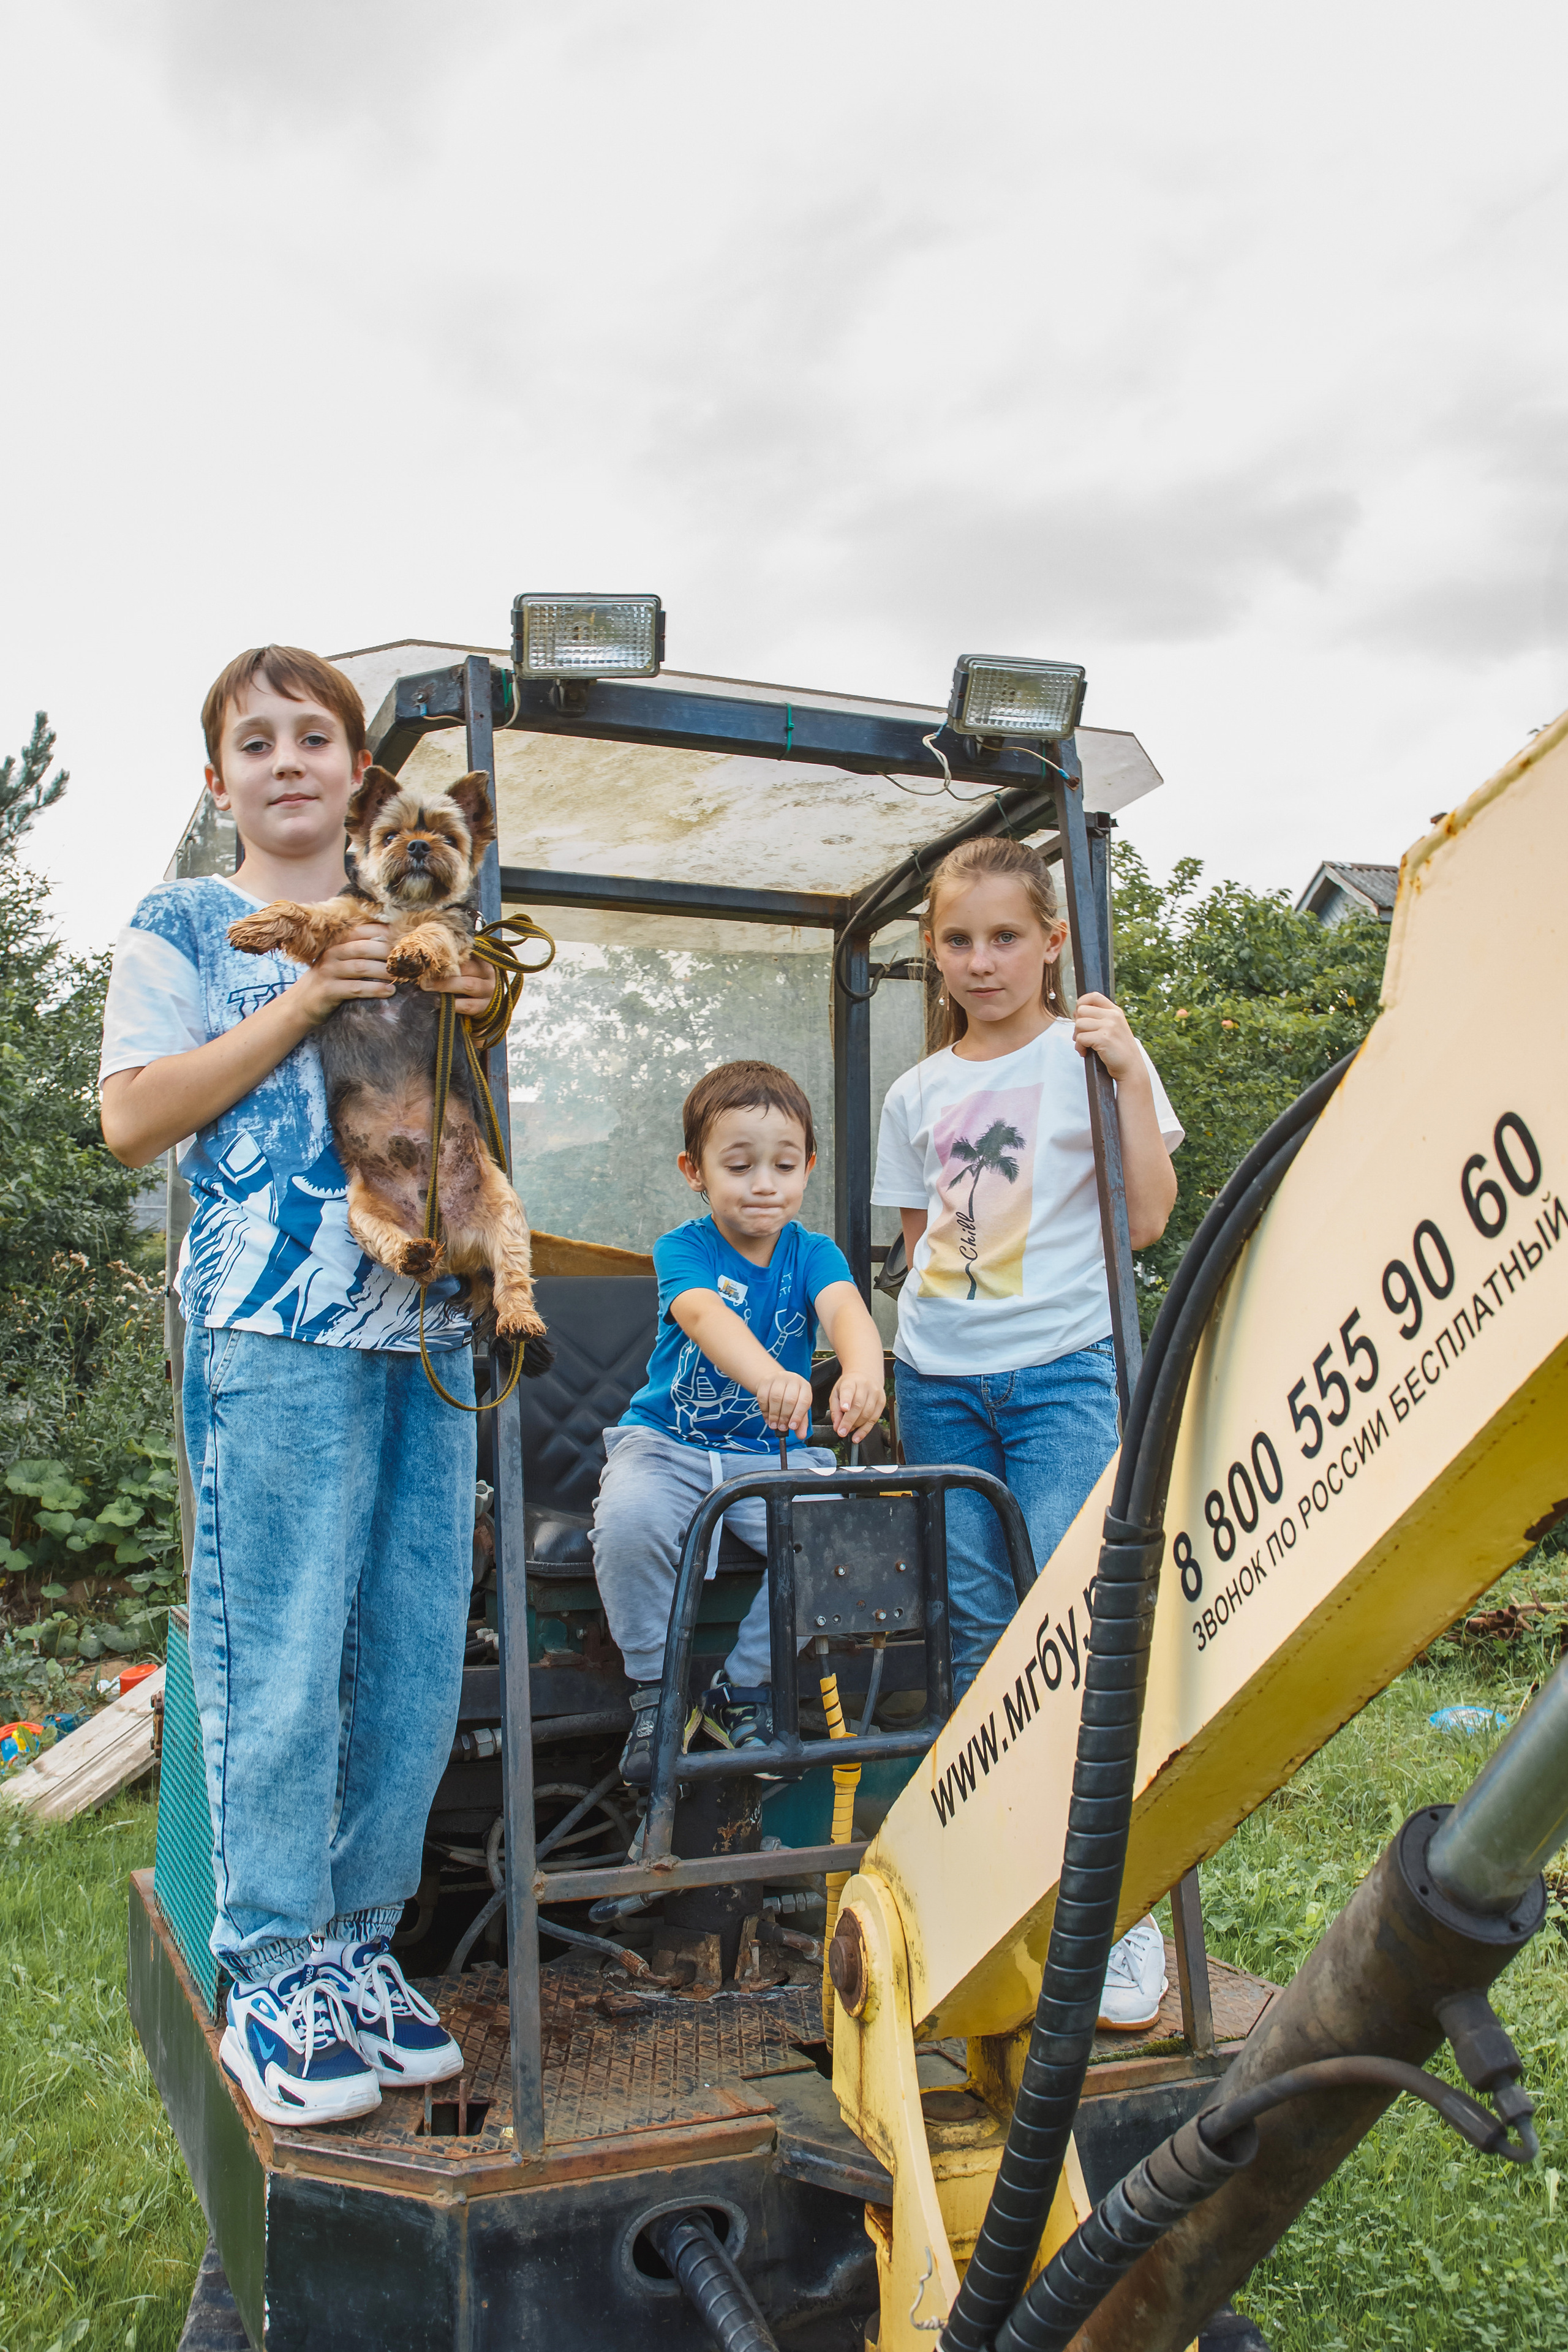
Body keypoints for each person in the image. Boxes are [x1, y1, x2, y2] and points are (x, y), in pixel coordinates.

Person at [99, 646, 492, 2126]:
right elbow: (134, 1116)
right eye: (254, 741)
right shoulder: (191, 922)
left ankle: (355, 1944)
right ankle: (267, 1959)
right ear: (221, 781)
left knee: (405, 1651)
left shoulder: (427, 915)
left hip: (425, 1326)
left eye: (313, 736)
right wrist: (301, 994)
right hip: (271, 1334)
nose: (286, 760)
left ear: (354, 769)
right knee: (282, 1650)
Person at [871, 834, 1183, 2030]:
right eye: (957, 940)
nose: (980, 960)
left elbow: (1145, 1220)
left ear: (1053, 940)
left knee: (1085, 1629)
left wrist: (1119, 1070)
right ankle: (1004, 1895)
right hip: (939, 1382)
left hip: (1061, 1377)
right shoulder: (917, 1092)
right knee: (978, 1644)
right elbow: (920, 1244)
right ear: (933, 956)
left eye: (1005, 936)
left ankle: (1119, 1910)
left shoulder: (1090, 1052)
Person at [590, 1060, 886, 1781]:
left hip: (768, 1461)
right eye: (740, 1165)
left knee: (851, 1534)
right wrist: (768, 1376)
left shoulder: (812, 1253)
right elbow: (701, 1314)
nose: (764, 1184)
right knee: (627, 1520)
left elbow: (846, 1310)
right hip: (670, 1447)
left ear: (808, 1167)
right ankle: (658, 1693)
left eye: (784, 1165)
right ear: (696, 1171)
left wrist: (862, 1371)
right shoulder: (684, 1248)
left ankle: (739, 1690)